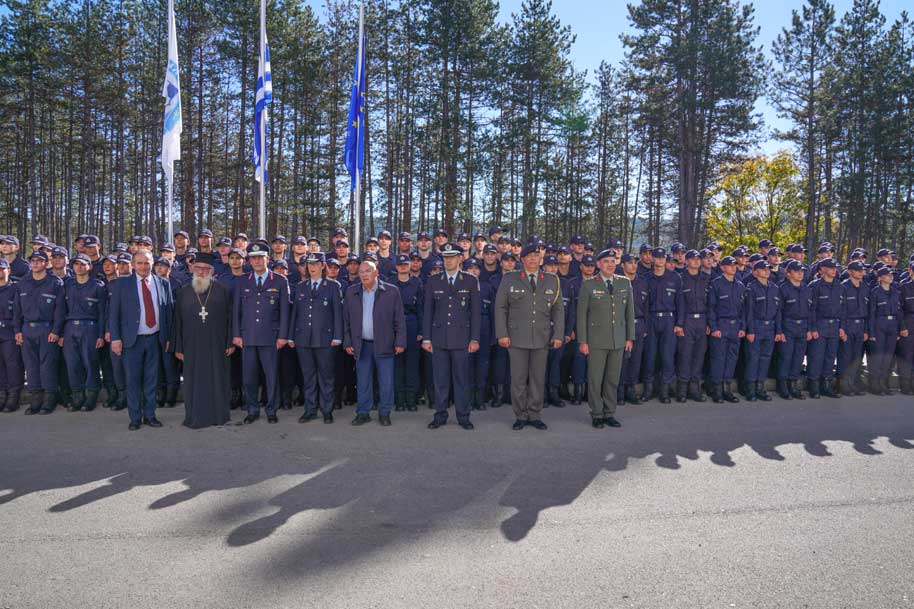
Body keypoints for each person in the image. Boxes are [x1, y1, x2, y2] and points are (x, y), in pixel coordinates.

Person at [494, 244, 564, 430]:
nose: (533, 259)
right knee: (518, 379)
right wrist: (502, 334)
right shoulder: (510, 278)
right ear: (522, 259)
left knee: (537, 379)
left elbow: (558, 310)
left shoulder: (552, 280)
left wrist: (558, 335)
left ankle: (534, 414)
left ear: (541, 259)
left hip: (542, 337)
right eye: (529, 256)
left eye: (536, 256)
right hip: (516, 337)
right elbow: (500, 307)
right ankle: (520, 415)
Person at [108, 249, 174, 430]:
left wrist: (169, 337)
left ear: (152, 263)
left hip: (155, 339)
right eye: (139, 263)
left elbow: (169, 313)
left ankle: (150, 416)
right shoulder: (122, 284)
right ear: (133, 265)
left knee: (152, 380)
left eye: (147, 263)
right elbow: (113, 314)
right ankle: (135, 418)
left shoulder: (163, 283)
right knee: (133, 381)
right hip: (132, 341)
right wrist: (115, 338)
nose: (143, 266)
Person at [172, 252, 234, 429]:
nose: (201, 272)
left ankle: (218, 415)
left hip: (217, 344)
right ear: (192, 268)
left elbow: (230, 319)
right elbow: (177, 322)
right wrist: (178, 347)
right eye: (198, 268)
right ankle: (195, 415)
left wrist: (230, 342)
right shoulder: (183, 292)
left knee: (218, 378)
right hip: (191, 345)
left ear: (212, 271)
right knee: (194, 381)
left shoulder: (223, 291)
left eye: (206, 269)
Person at [422, 243, 480, 430]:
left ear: (460, 259)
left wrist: (474, 338)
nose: (448, 261)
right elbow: (428, 311)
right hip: (439, 338)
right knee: (440, 380)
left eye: (452, 257)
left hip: (462, 339)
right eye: (445, 257)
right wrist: (426, 338)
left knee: (462, 380)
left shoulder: (470, 280)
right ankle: (440, 415)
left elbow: (476, 313)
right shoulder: (434, 280)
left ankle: (463, 416)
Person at [232, 242, 290, 424]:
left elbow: (285, 312)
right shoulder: (242, 281)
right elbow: (236, 310)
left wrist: (283, 335)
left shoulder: (280, 281)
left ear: (268, 259)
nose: (257, 261)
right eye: (253, 258)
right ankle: (252, 410)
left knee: (271, 376)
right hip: (248, 336)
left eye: (260, 257)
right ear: (249, 261)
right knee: (249, 377)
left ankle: (271, 410)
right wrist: (236, 334)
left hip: (271, 337)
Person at [343, 260, 406, 426]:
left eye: (368, 271)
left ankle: (384, 413)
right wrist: (348, 342)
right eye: (361, 272)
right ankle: (363, 413)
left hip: (385, 343)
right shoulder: (351, 292)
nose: (364, 274)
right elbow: (346, 320)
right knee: (363, 381)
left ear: (376, 272)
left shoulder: (391, 291)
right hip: (361, 345)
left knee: (386, 382)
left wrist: (400, 341)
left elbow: (399, 319)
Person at [577, 249, 634, 428]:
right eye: (606, 261)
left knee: (612, 379)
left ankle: (609, 412)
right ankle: (597, 413)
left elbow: (629, 312)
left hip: (618, 339)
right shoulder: (589, 285)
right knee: (595, 379)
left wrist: (629, 338)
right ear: (599, 264)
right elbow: (581, 316)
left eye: (613, 261)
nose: (610, 264)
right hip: (596, 340)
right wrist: (583, 341)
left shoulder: (624, 282)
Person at [288, 252, 342, 424]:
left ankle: (327, 410)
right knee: (308, 376)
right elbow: (295, 313)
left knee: (326, 377)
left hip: (325, 338)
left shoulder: (333, 286)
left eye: (316, 264)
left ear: (323, 266)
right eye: (309, 264)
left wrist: (338, 336)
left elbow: (337, 313)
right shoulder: (301, 286)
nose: (312, 267)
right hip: (303, 338)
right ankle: (310, 410)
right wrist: (291, 336)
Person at [13, 250, 65, 415]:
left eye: (39, 261)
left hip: (47, 329)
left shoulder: (55, 283)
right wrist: (17, 330)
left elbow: (59, 310)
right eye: (33, 261)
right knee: (31, 365)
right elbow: (17, 310)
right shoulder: (23, 283)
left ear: (46, 263)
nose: (35, 264)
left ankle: (49, 399)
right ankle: (36, 398)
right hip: (27, 329)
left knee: (47, 365)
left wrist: (56, 330)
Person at [62, 254, 107, 411]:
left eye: (83, 264)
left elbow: (102, 313)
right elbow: (61, 310)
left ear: (90, 267)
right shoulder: (67, 285)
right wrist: (60, 333)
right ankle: (77, 396)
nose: (79, 267)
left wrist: (101, 335)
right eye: (76, 264)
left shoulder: (98, 286)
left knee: (90, 363)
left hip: (90, 328)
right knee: (73, 364)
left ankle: (91, 395)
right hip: (70, 328)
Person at [707, 256, 746, 403]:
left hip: (735, 326)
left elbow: (743, 310)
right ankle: (717, 390)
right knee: (718, 358)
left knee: (731, 359)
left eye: (735, 265)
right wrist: (714, 327)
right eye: (730, 265)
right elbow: (711, 308)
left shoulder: (740, 285)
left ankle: (727, 389)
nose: (733, 267)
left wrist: (742, 327)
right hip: (721, 325)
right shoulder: (716, 284)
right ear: (723, 268)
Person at [742, 260, 781, 402]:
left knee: (765, 358)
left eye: (768, 269)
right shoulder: (751, 288)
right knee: (753, 358)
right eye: (763, 269)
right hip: (756, 326)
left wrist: (778, 331)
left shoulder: (774, 288)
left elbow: (778, 312)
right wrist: (750, 330)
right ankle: (750, 389)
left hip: (770, 327)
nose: (767, 271)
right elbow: (749, 312)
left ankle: (760, 387)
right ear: (755, 272)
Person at [675, 250, 710, 402]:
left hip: (702, 319)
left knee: (699, 355)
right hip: (687, 320)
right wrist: (679, 324)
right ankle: (682, 389)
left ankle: (694, 389)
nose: (696, 261)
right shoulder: (680, 279)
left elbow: (710, 303)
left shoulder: (706, 278)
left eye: (698, 259)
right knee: (685, 354)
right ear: (687, 261)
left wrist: (709, 323)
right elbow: (679, 304)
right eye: (693, 259)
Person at [806, 258, 844, 398]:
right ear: (822, 269)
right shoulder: (815, 286)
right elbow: (811, 309)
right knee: (816, 356)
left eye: (835, 268)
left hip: (834, 325)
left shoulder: (839, 286)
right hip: (820, 324)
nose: (834, 270)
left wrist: (841, 327)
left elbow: (843, 309)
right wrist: (812, 328)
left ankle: (826, 386)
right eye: (830, 267)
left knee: (830, 356)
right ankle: (814, 386)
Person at [776, 260, 812, 400]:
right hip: (788, 326)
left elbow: (810, 311)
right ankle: (782, 385)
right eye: (797, 271)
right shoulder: (783, 289)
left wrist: (809, 329)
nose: (800, 274)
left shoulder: (806, 289)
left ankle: (793, 384)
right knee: (786, 357)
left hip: (802, 326)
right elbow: (778, 312)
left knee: (798, 357)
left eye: (802, 271)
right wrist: (779, 331)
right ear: (788, 273)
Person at [392, 254, 423, 412]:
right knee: (397, 364)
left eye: (405, 264)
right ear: (396, 267)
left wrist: (421, 330)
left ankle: (411, 399)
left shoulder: (417, 283)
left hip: (412, 323)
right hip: (395, 325)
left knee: (412, 364)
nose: (403, 267)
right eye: (400, 265)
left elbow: (421, 308)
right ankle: (399, 400)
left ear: (410, 266)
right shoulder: (390, 283)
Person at [868, 267, 905, 395]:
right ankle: (874, 385)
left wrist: (900, 329)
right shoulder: (875, 292)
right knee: (878, 356)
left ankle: (883, 384)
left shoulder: (895, 292)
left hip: (892, 325)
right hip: (879, 324)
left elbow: (899, 312)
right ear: (880, 277)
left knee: (888, 357)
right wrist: (871, 332)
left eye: (891, 275)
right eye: (888, 275)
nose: (891, 277)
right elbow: (871, 314)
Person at [0, 259, 24, 412]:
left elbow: (19, 312)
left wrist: (17, 331)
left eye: (1, 268)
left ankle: (13, 397)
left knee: (12, 364)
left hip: (10, 330)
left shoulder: (15, 288)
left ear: (9, 270)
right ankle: (2, 394)